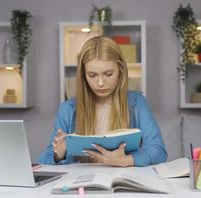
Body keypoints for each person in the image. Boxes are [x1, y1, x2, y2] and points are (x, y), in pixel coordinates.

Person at [38, 36, 167, 167]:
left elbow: (159, 151)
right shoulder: (68, 109)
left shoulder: (137, 103)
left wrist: (127, 160)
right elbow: (44, 160)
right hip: (81, 183)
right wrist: (59, 154)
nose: (100, 83)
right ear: (83, 75)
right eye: (92, 75)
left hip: (122, 181)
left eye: (109, 74)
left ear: (120, 70)